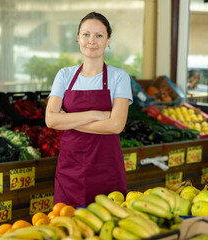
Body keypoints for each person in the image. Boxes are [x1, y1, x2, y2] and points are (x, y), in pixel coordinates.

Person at [45, 12, 133, 207]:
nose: (91, 41)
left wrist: (68, 120)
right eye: (86, 34)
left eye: (99, 35)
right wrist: (95, 115)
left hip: (106, 168)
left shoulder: (119, 77)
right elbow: (51, 120)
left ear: (108, 40)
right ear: (78, 38)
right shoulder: (64, 75)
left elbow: (116, 125)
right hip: (70, 169)